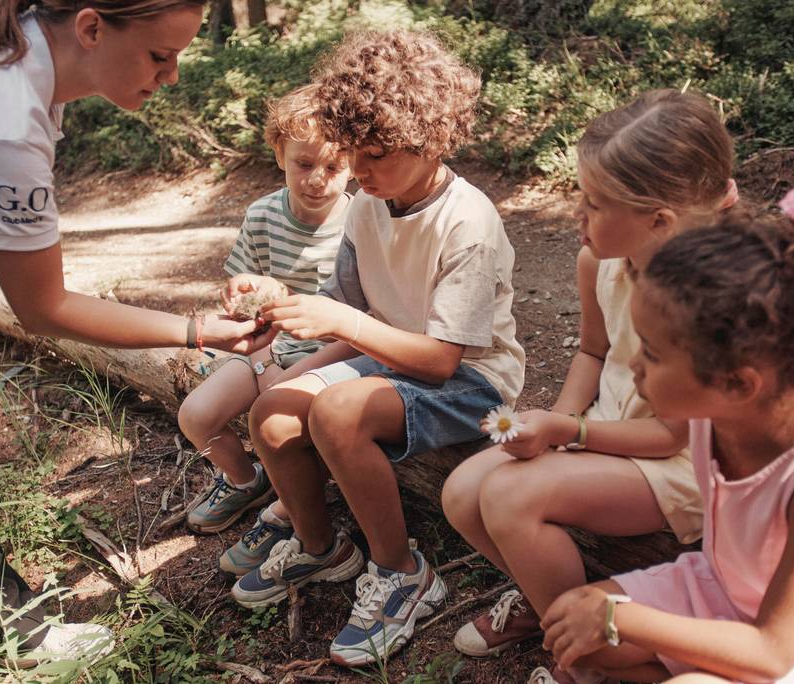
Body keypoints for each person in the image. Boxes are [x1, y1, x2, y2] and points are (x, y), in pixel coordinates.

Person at [0, 0, 271, 680]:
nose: (170, 77)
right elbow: (43, 308)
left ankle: (12, 624)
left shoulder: (21, 69)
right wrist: (195, 330)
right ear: (91, 27)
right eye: (159, 56)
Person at [228, 29, 526, 666]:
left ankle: (402, 572)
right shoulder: (370, 204)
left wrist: (344, 326)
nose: (358, 173)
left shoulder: (466, 222)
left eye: (376, 155)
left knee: (338, 413)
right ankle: (321, 548)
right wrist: (280, 306)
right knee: (273, 413)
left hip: (472, 379)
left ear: (431, 138)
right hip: (390, 363)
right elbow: (352, 306)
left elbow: (442, 358)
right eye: (352, 153)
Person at [540, 164, 794, 684]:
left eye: (650, 354)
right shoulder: (712, 409)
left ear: (738, 383)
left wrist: (621, 615)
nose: (633, 367)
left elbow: (773, 653)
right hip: (727, 590)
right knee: (575, 628)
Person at [441, 89, 738, 658]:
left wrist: (568, 436)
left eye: (596, 205)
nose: (577, 214)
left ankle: (593, 656)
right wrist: (560, 420)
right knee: (461, 493)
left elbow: (670, 437)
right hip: (607, 429)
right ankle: (549, 601)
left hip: (679, 466)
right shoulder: (596, 260)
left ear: (658, 221)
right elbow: (594, 354)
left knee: (507, 497)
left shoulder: (701, 298)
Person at [178, 83, 352, 575]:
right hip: (267, 350)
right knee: (195, 416)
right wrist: (246, 304)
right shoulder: (262, 216)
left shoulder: (362, 223)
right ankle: (242, 480)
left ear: (354, 164)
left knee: (290, 428)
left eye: (334, 167)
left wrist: (284, 373)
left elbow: (363, 320)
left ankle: (286, 510)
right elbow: (241, 295)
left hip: (332, 358)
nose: (318, 179)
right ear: (279, 153)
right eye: (304, 164)